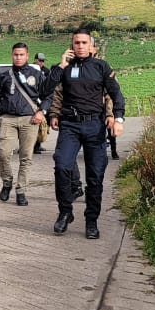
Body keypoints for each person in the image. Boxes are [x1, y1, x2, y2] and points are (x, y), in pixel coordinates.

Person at [44, 30, 124, 239]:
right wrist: (60, 66)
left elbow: (115, 93)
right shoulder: (65, 68)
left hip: (94, 126)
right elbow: (47, 88)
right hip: (70, 125)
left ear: (91, 46)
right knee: (61, 165)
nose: (80, 46)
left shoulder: (101, 67)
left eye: (83, 43)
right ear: (71, 46)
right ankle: (65, 212)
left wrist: (118, 118)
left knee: (95, 176)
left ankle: (91, 221)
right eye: (76, 43)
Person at [0, 43, 46, 206]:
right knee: (3, 154)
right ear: (12, 55)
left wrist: (41, 111)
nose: (18, 57)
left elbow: (48, 95)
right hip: (8, 118)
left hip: (29, 119)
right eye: (16, 54)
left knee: (26, 157)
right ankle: (7, 182)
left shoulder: (36, 74)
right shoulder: (4, 75)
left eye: (21, 55)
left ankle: (21, 190)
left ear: (27, 55)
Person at [33, 52, 51, 154]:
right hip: (32, 101)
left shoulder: (46, 71)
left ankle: (38, 145)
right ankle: (32, 146)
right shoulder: (31, 69)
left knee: (42, 126)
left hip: (42, 102)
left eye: (42, 61)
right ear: (35, 59)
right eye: (39, 60)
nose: (41, 62)